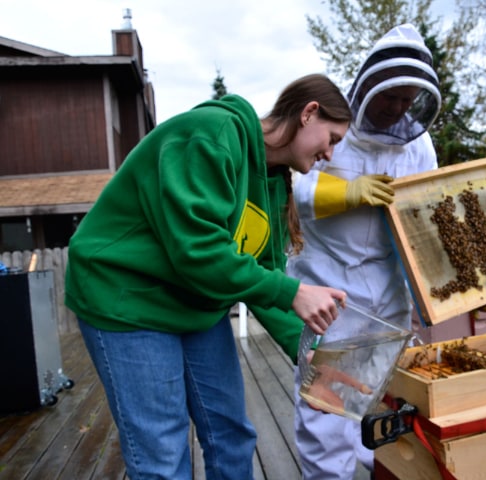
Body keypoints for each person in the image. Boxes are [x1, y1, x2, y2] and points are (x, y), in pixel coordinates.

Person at [64, 73, 352, 480]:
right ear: (309, 113)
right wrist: (292, 292)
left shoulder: (271, 183)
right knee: (163, 457)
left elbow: (262, 274)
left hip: (193, 302)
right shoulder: (212, 135)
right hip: (127, 298)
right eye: (333, 137)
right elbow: (198, 250)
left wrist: (308, 355)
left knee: (232, 436)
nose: (331, 153)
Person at [256, 24, 442, 479]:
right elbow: (293, 189)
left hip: (388, 290)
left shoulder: (418, 145)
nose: (396, 108)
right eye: (389, 97)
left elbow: (429, 211)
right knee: (326, 406)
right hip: (327, 286)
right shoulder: (333, 129)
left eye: (405, 100)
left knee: (381, 398)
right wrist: (349, 191)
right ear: (367, 87)